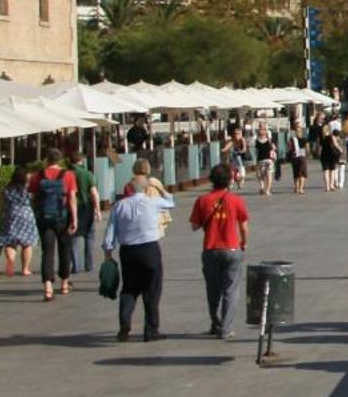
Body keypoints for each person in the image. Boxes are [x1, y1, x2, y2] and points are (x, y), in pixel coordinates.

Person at [102, 160, 177, 341]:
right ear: (145, 188)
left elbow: (110, 230)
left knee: (129, 288)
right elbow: (171, 202)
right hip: (149, 249)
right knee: (152, 290)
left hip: (128, 251)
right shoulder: (153, 202)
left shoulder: (119, 206)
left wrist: (108, 252)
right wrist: (159, 187)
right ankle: (151, 330)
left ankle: (124, 323)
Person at [190, 163, 252, 338]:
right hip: (232, 248)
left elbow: (195, 225)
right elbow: (244, 226)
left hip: (210, 248)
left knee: (212, 289)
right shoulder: (236, 200)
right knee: (230, 290)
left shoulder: (202, 200)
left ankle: (215, 324)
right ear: (230, 180)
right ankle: (226, 328)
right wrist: (244, 243)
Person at [32, 148, 78, 301]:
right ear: (60, 160)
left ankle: (47, 288)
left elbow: (33, 196)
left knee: (47, 252)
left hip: (45, 218)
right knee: (65, 250)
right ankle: (64, 284)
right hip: (62, 218)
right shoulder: (68, 175)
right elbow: (71, 198)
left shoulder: (37, 175)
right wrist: (74, 219)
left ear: (46, 159)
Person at [64, 146, 101, 278]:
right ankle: (89, 264)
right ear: (81, 161)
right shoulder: (87, 174)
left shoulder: (66, 174)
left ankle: (75, 265)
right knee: (89, 236)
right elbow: (94, 193)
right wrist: (98, 210)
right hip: (86, 207)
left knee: (73, 236)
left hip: (70, 207)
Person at [0, 165, 37, 278]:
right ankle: (25, 269)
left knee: (10, 243)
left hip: (10, 215)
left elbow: (1, 206)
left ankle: (10, 260)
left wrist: (0, 218)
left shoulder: (7, 189)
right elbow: (35, 202)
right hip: (27, 215)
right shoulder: (29, 189)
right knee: (27, 244)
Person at [318, 126, 343, 192]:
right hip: (331, 155)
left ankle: (327, 186)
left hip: (324, 155)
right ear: (329, 130)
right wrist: (340, 149)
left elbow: (320, 147)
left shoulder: (321, 137)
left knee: (325, 171)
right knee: (332, 170)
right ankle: (331, 185)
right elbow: (335, 145)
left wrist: (319, 154)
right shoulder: (331, 136)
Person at [254, 127, 277, 197]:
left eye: (263, 130)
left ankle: (265, 189)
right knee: (265, 175)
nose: (262, 131)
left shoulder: (258, 141)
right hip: (264, 160)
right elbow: (274, 148)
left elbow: (256, 151)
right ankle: (265, 189)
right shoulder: (266, 140)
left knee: (265, 175)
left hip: (265, 160)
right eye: (261, 129)